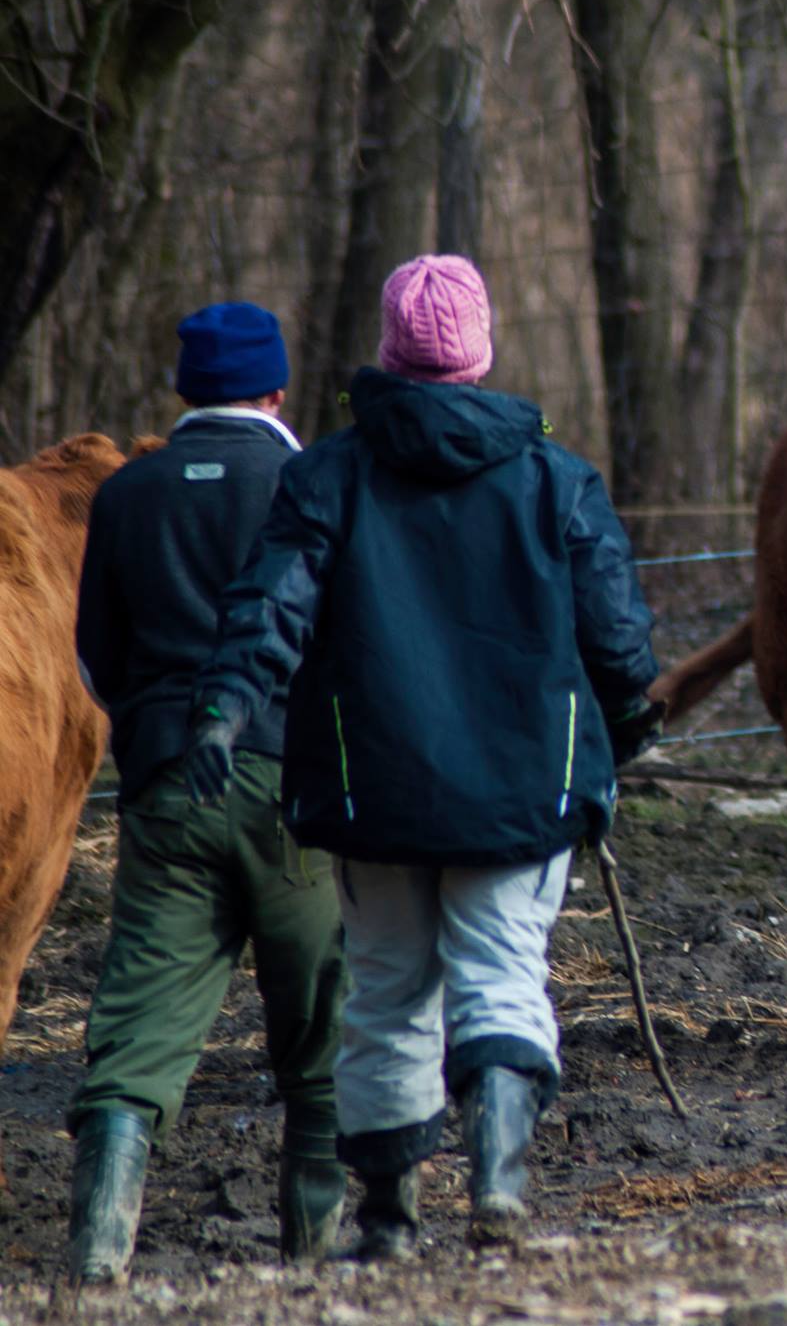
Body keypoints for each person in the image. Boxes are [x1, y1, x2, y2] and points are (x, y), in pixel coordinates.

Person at [187, 255, 662, 1260]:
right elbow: (617, 639)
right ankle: (497, 1178)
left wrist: (223, 706)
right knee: (501, 973)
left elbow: (271, 605)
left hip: (377, 794)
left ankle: (390, 1218)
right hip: (524, 787)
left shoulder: (326, 475)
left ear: (389, 352)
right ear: (479, 351)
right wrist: (626, 730)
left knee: (389, 992)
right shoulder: (556, 478)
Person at [69, 302, 348, 1285]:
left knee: (139, 1020)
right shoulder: (309, 480)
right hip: (292, 787)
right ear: (276, 389)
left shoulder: (126, 494)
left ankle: (98, 1252)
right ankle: (311, 1266)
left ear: (184, 390)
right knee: (318, 1026)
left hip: (161, 784)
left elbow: (94, 660)